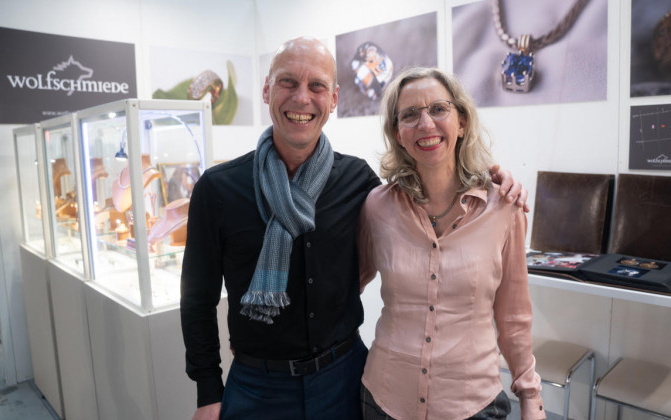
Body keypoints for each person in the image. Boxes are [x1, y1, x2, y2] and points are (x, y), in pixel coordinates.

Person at [180, 37, 527, 420]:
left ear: (333, 99)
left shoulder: (358, 182)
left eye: (316, 86)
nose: (302, 98)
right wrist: (208, 392)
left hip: (342, 381)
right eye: (287, 82)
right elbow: (197, 300)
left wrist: (489, 180)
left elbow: (423, 192)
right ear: (266, 90)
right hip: (257, 388)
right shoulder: (218, 190)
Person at [357, 67, 545, 419]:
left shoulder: (503, 208)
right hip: (385, 399)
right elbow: (347, 286)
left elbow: (514, 317)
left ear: (461, 122)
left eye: (438, 109)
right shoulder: (377, 207)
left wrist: (530, 397)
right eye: (410, 115)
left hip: (471, 404)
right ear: (398, 134)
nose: (425, 123)